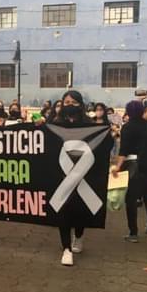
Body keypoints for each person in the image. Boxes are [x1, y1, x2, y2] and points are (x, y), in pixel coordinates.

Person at [51, 90, 93, 266]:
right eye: (66, 102)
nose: (69, 106)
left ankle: (79, 235)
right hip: (62, 175)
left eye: (73, 102)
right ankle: (66, 248)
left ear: (80, 105)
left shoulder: (89, 124)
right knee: (64, 211)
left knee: (80, 210)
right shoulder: (55, 123)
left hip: (83, 175)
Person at [112, 101, 147, 242]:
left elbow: (123, 151)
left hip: (134, 166)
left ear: (128, 112)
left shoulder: (127, 128)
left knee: (131, 199)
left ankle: (133, 233)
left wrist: (117, 167)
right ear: (142, 111)